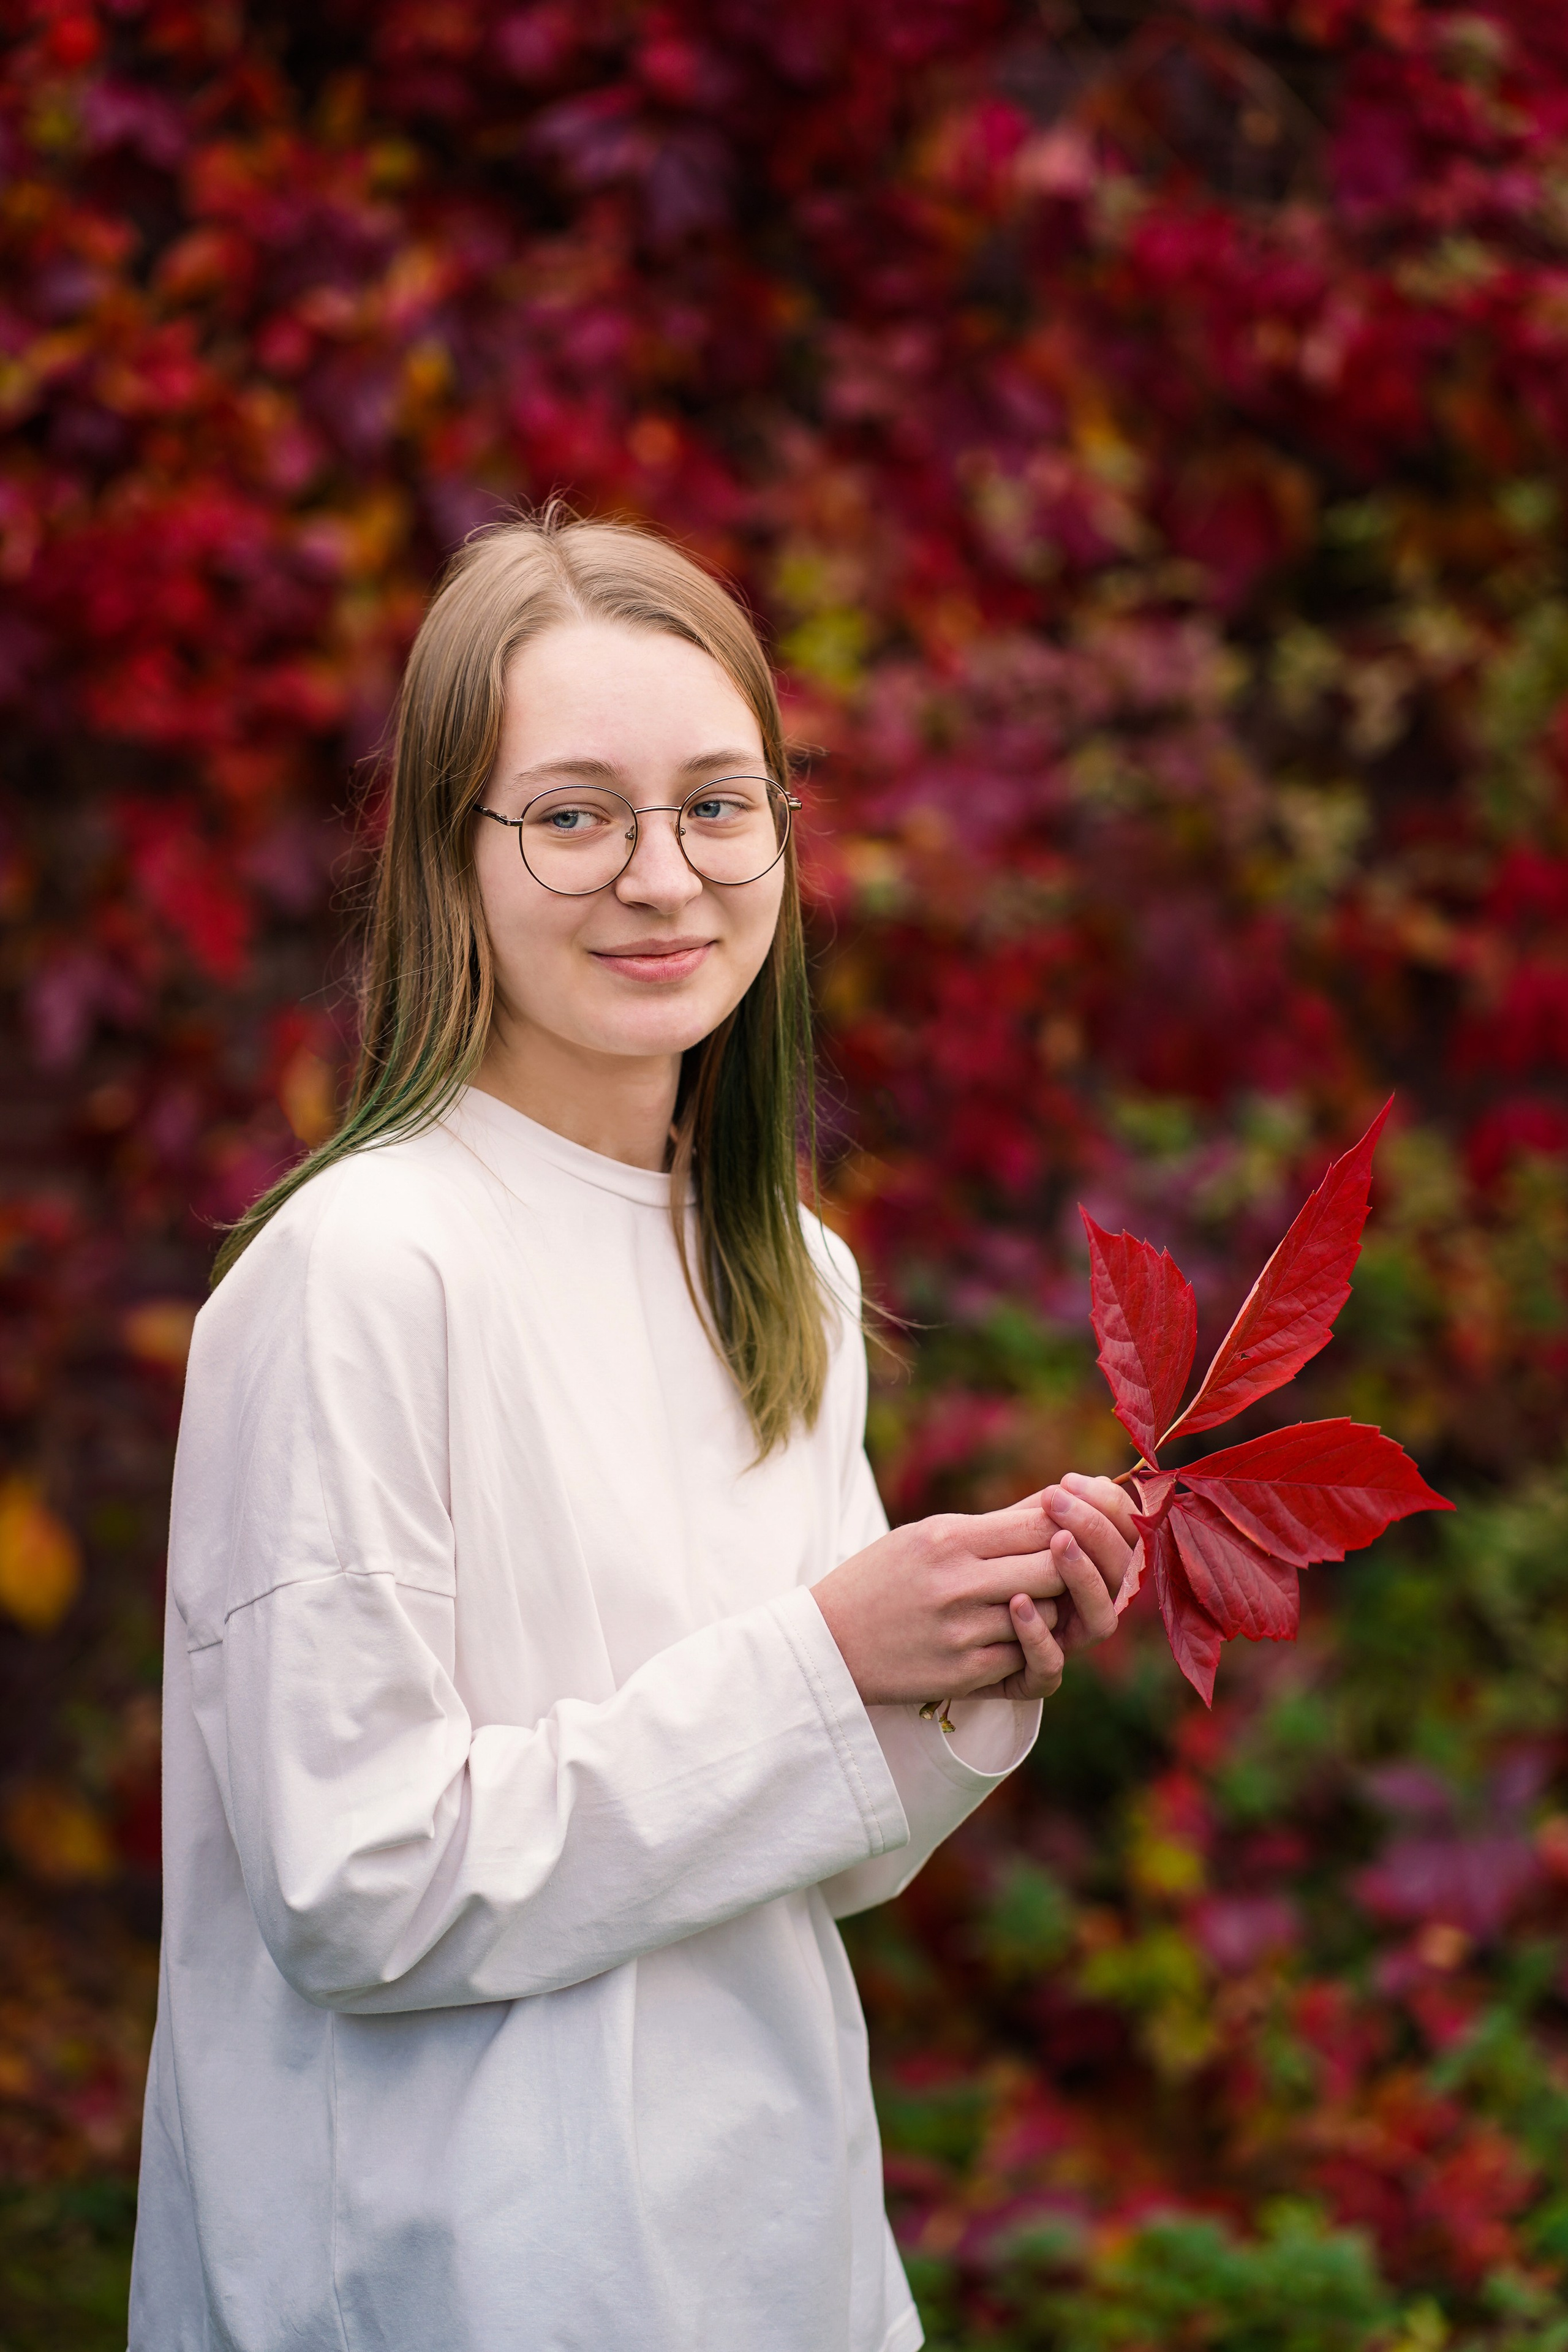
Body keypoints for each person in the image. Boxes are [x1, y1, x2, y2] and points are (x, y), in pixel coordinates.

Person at [129, 512, 1138, 2352]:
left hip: (776, 2267)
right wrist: (823, 1668)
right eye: (575, 814)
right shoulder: (366, 1267)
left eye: (719, 805)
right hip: (449, 2286)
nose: (664, 876)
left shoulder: (789, 1275)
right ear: (454, 855)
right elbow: (355, 1884)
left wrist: (971, 1670)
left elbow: (807, 1849)